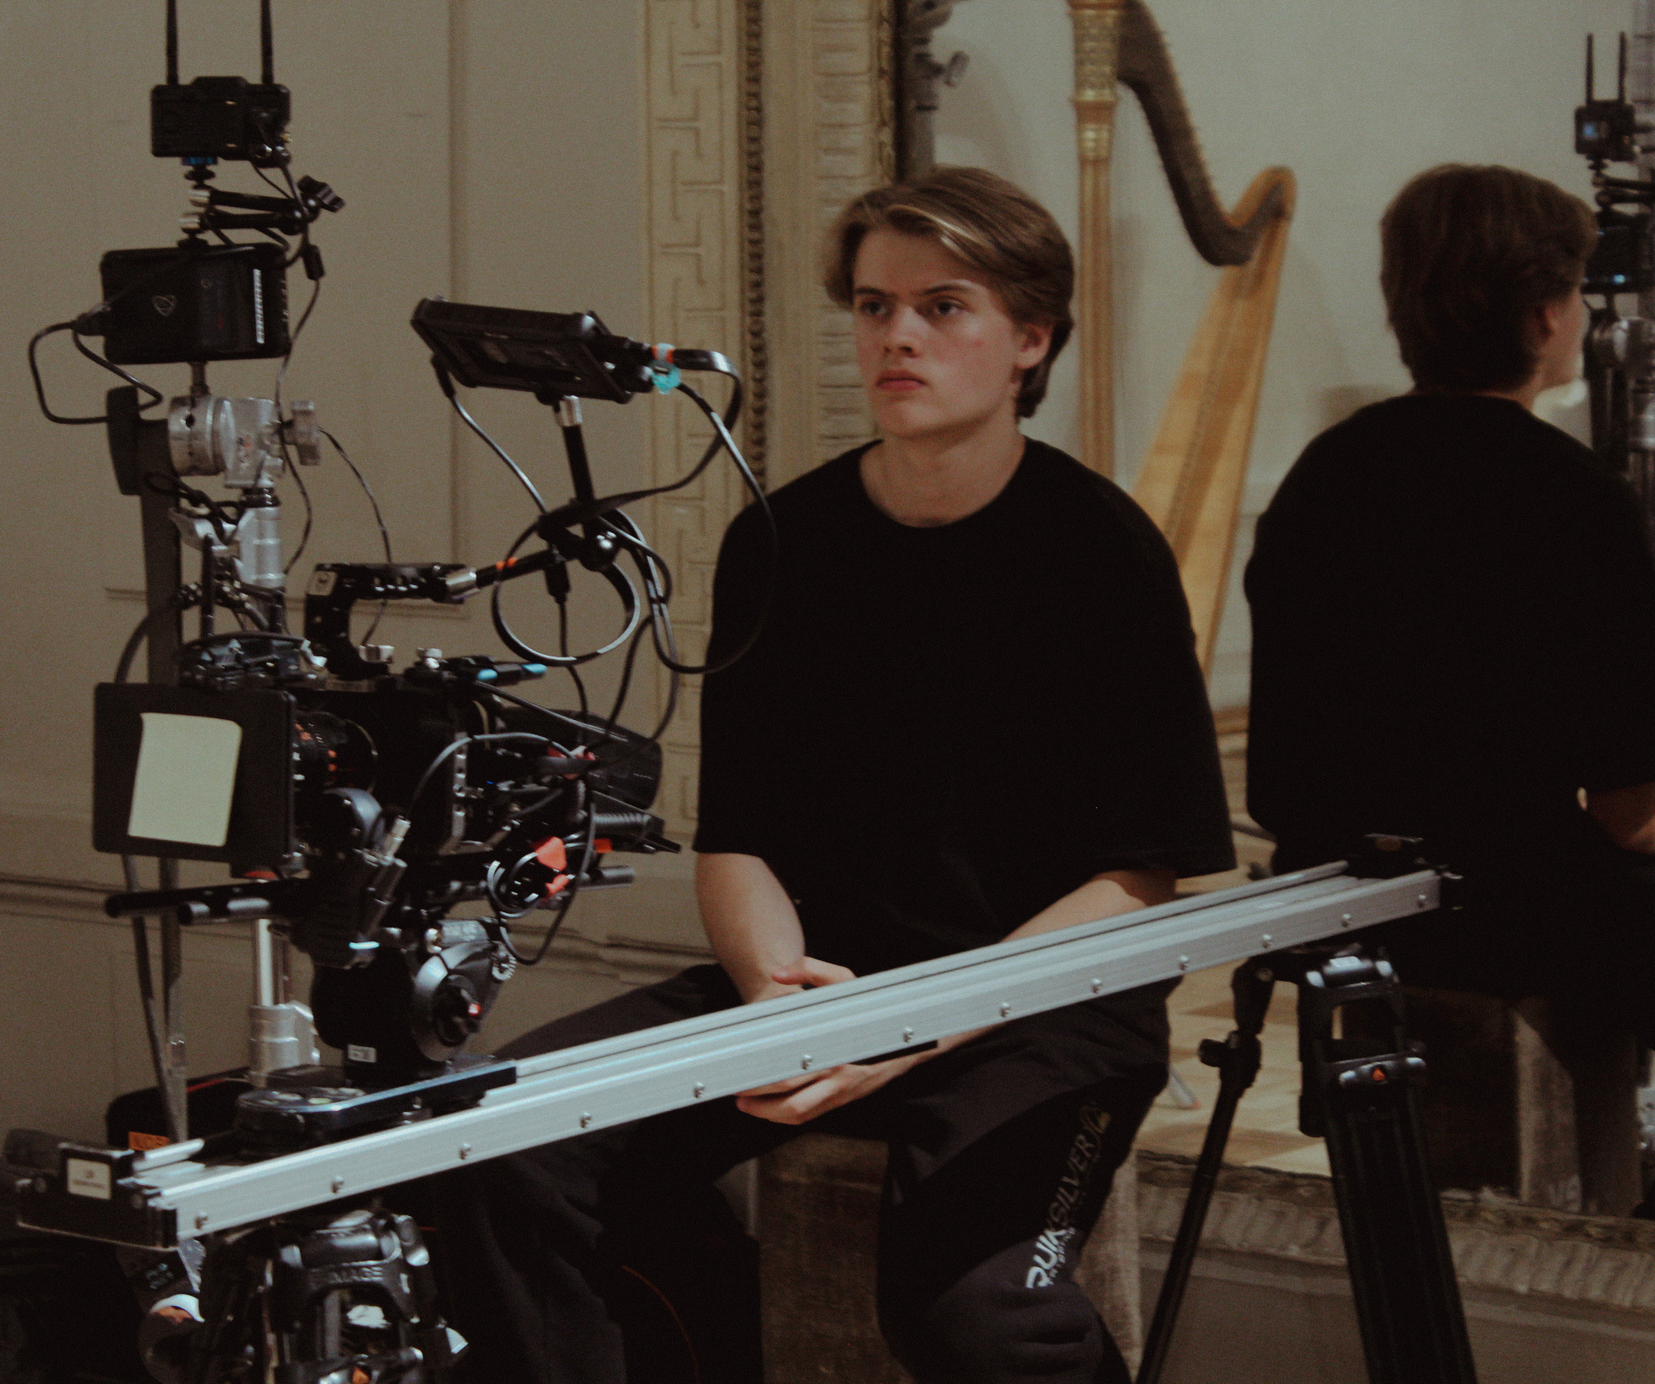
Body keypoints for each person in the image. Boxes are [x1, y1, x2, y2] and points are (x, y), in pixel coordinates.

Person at [438, 166, 1233, 1384]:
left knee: (973, 1316)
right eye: (874, 306)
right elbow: (738, 833)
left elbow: (1140, 877)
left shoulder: (1101, 552)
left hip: (1044, 1009)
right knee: (505, 1144)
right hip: (820, 978)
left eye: (942, 306)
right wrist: (777, 997)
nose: (897, 335)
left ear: (1030, 339)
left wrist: (899, 1030)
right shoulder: (781, 540)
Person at [1245, 163, 1655, 1041]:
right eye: (1577, 293)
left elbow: (1287, 770)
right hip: (1508, 916)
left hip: (1339, 898)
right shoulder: (1577, 497)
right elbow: (1632, 815)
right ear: (1543, 315)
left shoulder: (1324, 475)